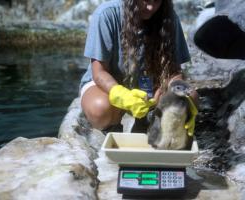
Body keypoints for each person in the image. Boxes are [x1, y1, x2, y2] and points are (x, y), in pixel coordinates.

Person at [79, 0, 198, 133]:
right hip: (106, 87)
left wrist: (179, 93)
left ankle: (147, 122)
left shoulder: (168, 17)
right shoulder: (106, 14)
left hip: (151, 91)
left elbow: (174, 72)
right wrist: (122, 96)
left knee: (190, 96)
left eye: (157, 1)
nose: (150, 7)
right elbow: (99, 72)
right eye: (146, 0)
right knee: (100, 109)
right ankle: (112, 127)